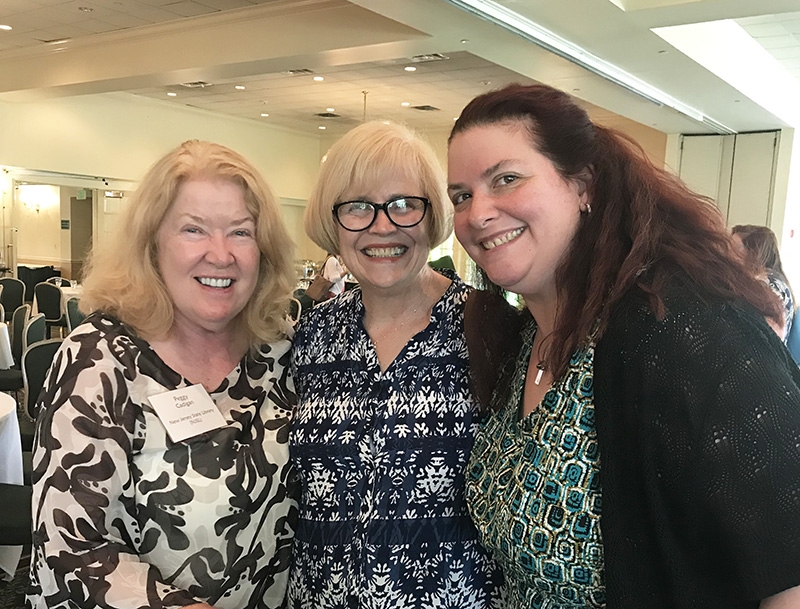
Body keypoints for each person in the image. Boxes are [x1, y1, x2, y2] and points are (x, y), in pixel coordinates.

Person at [446, 84, 800, 609]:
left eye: (506, 179)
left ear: (583, 185)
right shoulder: (521, 339)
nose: (477, 213)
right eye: (461, 196)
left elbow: (788, 568)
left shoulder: (685, 332)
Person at [27, 140, 299, 609]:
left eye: (241, 232)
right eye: (194, 230)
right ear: (152, 244)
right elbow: (68, 549)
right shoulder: (100, 359)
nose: (221, 254)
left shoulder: (281, 350)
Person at [289, 121, 503, 607]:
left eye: (405, 204)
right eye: (357, 206)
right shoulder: (311, 335)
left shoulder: (489, 329)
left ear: (433, 215)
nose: (382, 226)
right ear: (332, 222)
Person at [732, 224, 794, 341]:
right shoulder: (772, 280)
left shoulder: (772, 286)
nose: (726, 252)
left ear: (754, 252)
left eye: (734, 248)